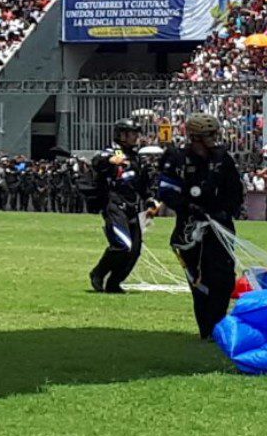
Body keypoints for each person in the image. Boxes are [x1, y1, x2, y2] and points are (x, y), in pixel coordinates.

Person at [157, 112, 242, 340]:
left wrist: (226, 210)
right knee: (199, 280)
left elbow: (235, 190)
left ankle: (218, 323)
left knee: (223, 278)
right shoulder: (175, 158)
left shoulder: (223, 159)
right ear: (195, 138)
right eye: (208, 136)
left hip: (219, 225)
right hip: (189, 228)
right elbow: (166, 191)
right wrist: (188, 207)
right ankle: (207, 329)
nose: (213, 141)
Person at [87, 118, 152, 294]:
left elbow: (142, 183)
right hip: (114, 204)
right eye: (133, 134)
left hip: (132, 207)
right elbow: (97, 161)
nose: (136, 137)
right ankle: (98, 273)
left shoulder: (136, 157)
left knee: (135, 250)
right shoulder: (110, 151)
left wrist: (150, 199)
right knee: (122, 245)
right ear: (122, 135)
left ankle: (114, 283)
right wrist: (110, 160)